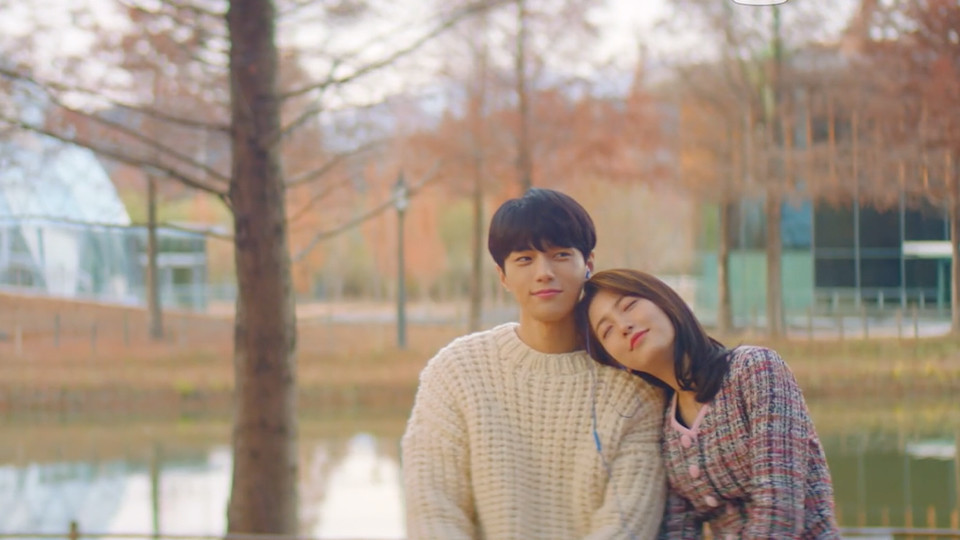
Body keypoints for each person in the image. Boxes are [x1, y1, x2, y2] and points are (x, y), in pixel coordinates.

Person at [401, 188, 667, 539]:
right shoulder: (456, 373)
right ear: (502, 276)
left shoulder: (635, 389)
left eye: (560, 255)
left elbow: (628, 524)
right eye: (524, 259)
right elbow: (434, 510)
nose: (544, 272)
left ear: (588, 264)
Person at [579, 269, 840, 539]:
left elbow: (779, 508)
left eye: (629, 305)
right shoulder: (665, 425)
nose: (623, 326)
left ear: (665, 302)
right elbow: (678, 529)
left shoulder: (754, 369)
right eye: (607, 330)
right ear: (617, 362)